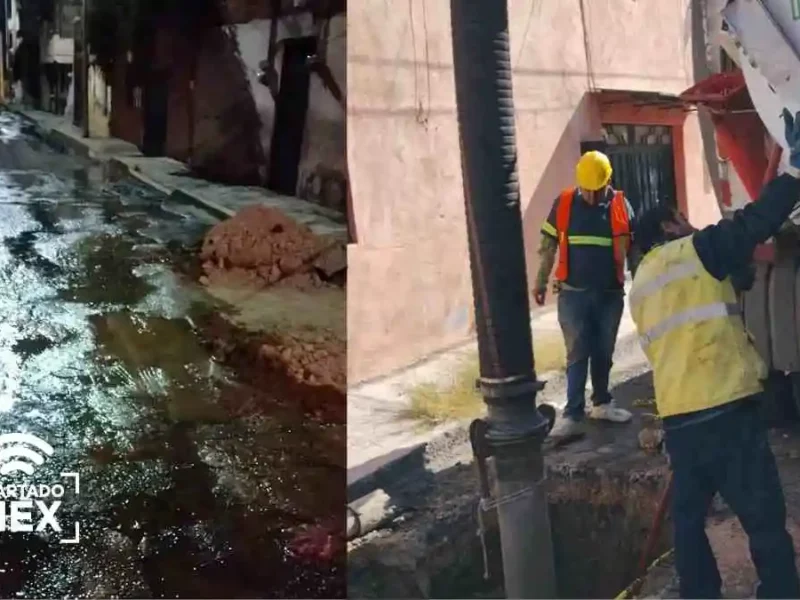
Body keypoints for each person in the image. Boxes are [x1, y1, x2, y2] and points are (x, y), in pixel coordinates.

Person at [628, 109, 800, 599]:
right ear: (667, 226)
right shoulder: (695, 250)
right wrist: (795, 172)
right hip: (727, 409)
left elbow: (716, 294)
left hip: (680, 420)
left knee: (688, 523)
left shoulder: (640, 286)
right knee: (762, 514)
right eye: (680, 219)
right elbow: (756, 223)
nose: (689, 223)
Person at [533, 150, 639, 436]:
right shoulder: (564, 203)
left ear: (607, 183)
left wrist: (641, 284)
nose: (592, 196)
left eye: (598, 190)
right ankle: (573, 414)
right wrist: (540, 281)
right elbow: (547, 246)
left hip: (609, 293)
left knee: (604, 350)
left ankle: (602, 403)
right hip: (573, 294)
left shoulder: (620, 204)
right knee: (578, 352)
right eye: (587, 190)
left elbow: (635, 249)